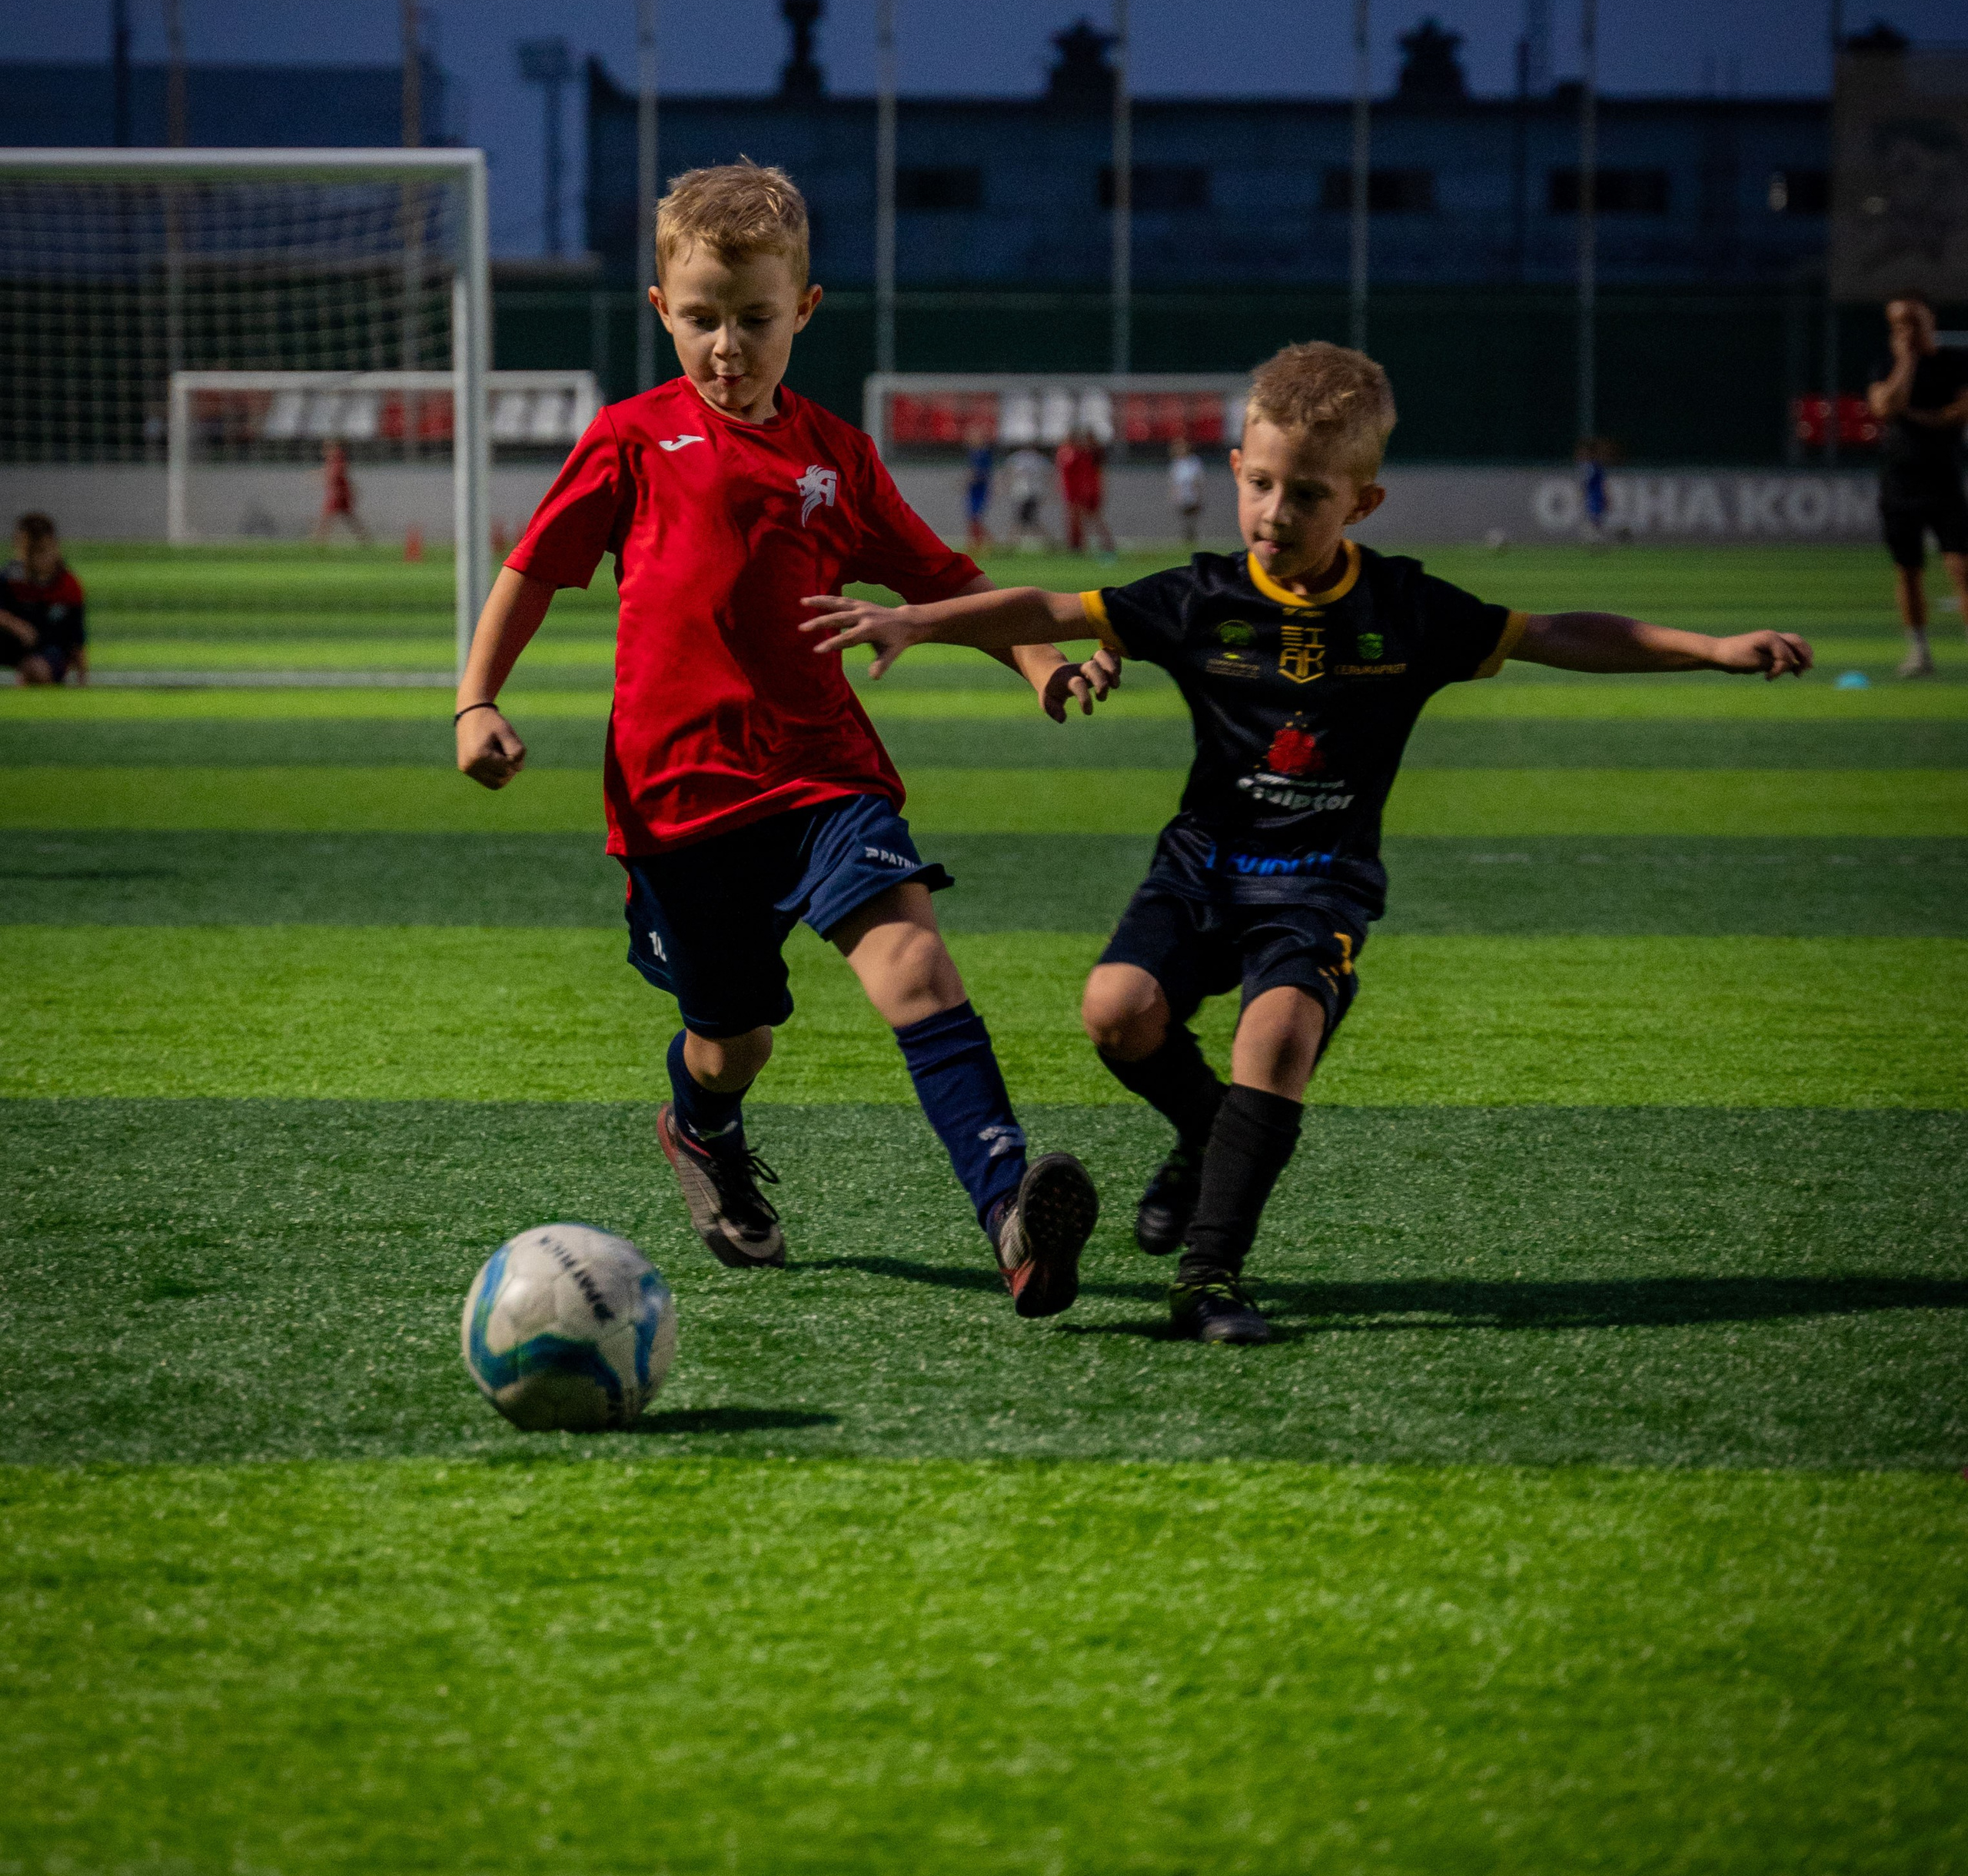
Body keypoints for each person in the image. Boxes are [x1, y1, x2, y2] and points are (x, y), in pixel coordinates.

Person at [804, 340, 1813, 1346]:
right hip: (1200, 867)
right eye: (1263, 484)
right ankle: (1208, 1132)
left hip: (1319, 882)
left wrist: (1713, 650)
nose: (1277, 514)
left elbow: (1558, 632)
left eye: (1309, 495)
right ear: (1238, 469)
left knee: (1276, 1037)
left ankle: (1209, 1279)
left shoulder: (1408, 610)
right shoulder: (1202, 597)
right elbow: (1052, 607)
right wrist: (922, 621)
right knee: (1114, 1011)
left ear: (1361, 504)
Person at [454, 161, 1112, 1317]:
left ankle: (1012, 1209)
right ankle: (700, 1127)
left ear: (802, 310)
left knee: (914, 964)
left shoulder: (837, 458)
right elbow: (531, 571)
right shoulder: (629, 440)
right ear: (660, 310)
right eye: (700, 319)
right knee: (731, 1042)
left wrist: (1039, 661)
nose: (726, 347)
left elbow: (948, 579)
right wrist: (476, 701)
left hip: (825, 780)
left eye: (753, 320)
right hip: (678, 806)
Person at [1865, 292, 1968, 678]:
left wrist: (1914, 415)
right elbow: (1884, 407)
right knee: (1907, 570)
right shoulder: (1887, 364)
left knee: (1962, 567)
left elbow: (1958, 414)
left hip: (1944, 479)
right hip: (1899, 482)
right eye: (1898, 323)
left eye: (1912, 320)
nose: (1905, 329)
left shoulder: (1955, 362)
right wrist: (1906, 363)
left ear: (1930, 319)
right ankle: (1919, 652)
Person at [2, 512, 88, 687]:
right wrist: (16, 626)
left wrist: (83, 678)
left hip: (50, 650)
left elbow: (76, 638)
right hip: (14, 644)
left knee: (37, 669)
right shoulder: (12, 578)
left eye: (39, 550)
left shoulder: (68, 587)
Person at [1056, 426, 1116, 555]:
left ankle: (1085, 545)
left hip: (1080, 491)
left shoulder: (1082, 455)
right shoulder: (1076, 453)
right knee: (1079, 520)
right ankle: (1079, 546)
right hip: (1075, 491)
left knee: (1087, 519)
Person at [312, 438, 370, 544]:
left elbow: (336, 473)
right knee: (348, 517)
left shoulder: (337, 457)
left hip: (338, 493)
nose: (323, 450)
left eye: (325, 447)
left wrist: (328, 482)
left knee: (327, 517)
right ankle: (365, 539)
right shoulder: (335, 458)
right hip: (341, 492)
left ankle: (317, 541)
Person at [1004, 445, 1051, 549]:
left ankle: (1011, 545)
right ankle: (1050, 544)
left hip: (1029, 494)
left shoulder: (1019, 458)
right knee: (1029, 521)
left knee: (1023, 520)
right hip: (1027, 494)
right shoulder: (1036, 458)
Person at [962, 424, 996, 552]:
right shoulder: (974, 453)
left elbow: (981, 473)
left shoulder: (983, 453)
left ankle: (983, 543)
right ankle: (978, 544)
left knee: (974, 517)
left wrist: (968, 480)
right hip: (974, 490)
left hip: (980, 489)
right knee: (973, 518)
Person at [1168, 436, 1205, 546]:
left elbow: (1197, 479)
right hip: (1182, 493)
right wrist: (1174, 493)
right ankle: (1187, 535)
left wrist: (1198, 493)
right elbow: (1173, 480)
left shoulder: (1194, 462)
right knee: (1184, 515)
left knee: (1192, 515)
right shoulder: (1176, 463)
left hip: (1191, 492)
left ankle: (1191, 535)